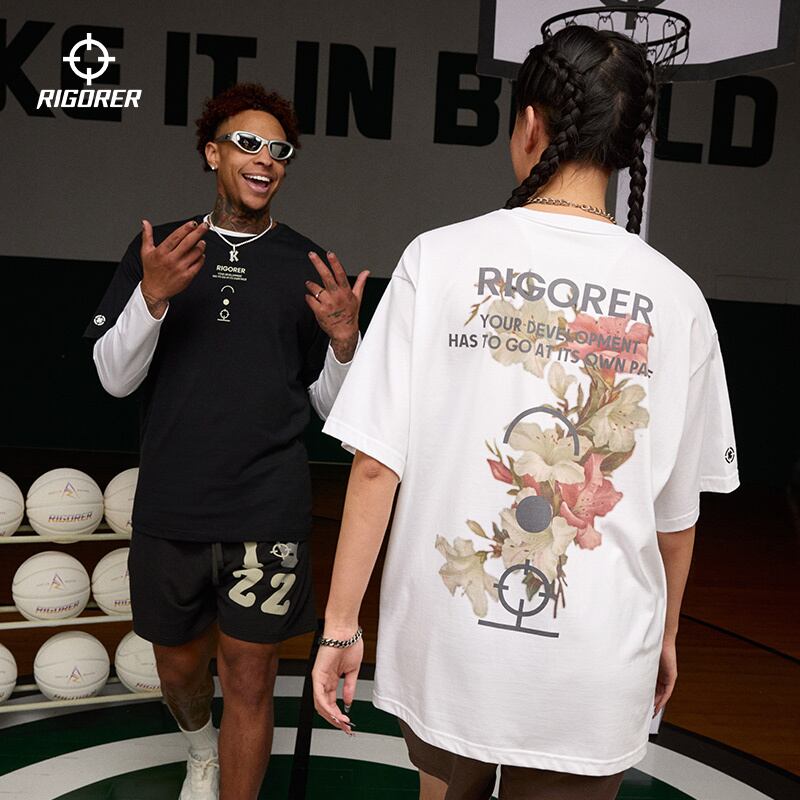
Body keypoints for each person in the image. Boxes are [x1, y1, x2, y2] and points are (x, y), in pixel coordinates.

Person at [312, 26, 739, 800]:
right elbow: (677, 516)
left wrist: (341, 626)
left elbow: (376, 466)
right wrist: (667, 635)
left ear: (531, 123)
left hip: (452, 643)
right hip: (597, 655)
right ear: (628, 144)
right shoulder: (679, 299)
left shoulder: (436, 258)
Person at [84, 83, 368, 800]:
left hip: (266, 510)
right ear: (213, 154)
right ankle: (199, 749)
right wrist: (151, 297)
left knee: (250, 675)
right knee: (178, 668)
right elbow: (114, 380)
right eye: (247, 143)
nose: (265, 159)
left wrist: (344, 342)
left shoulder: (307, 266)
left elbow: (334, 412)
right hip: (173, 506)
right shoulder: (161, 251)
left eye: (279, 150)